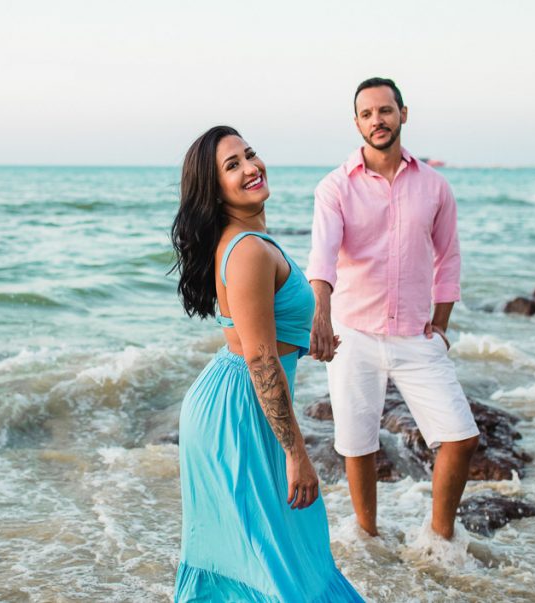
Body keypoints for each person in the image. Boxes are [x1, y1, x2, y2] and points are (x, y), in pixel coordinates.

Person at [171, 126, 363, 602]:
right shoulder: (249, 251)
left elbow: (264, 334)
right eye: (232, 166)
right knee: (277, 559)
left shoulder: (250, 238)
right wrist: (297, 454)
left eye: (249, 155)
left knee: (272, 554)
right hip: (240, 413)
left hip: (232, 397)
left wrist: (306, 335)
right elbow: (259, 359)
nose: (251, 168)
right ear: (214, 191)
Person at [307, 78, 480, 541]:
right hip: (353, 333)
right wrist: (320, 316)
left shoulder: (435, 186)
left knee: (462, 438)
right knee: (356, 444)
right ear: (356, 122)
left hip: (414, 335)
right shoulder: (334, 188)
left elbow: (449, 258)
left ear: (403, 113)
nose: (377, 121)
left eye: (385, 110)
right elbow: (322, 258)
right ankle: (368, 537)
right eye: (367, 114)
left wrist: (441, 327)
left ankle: (439, 540)